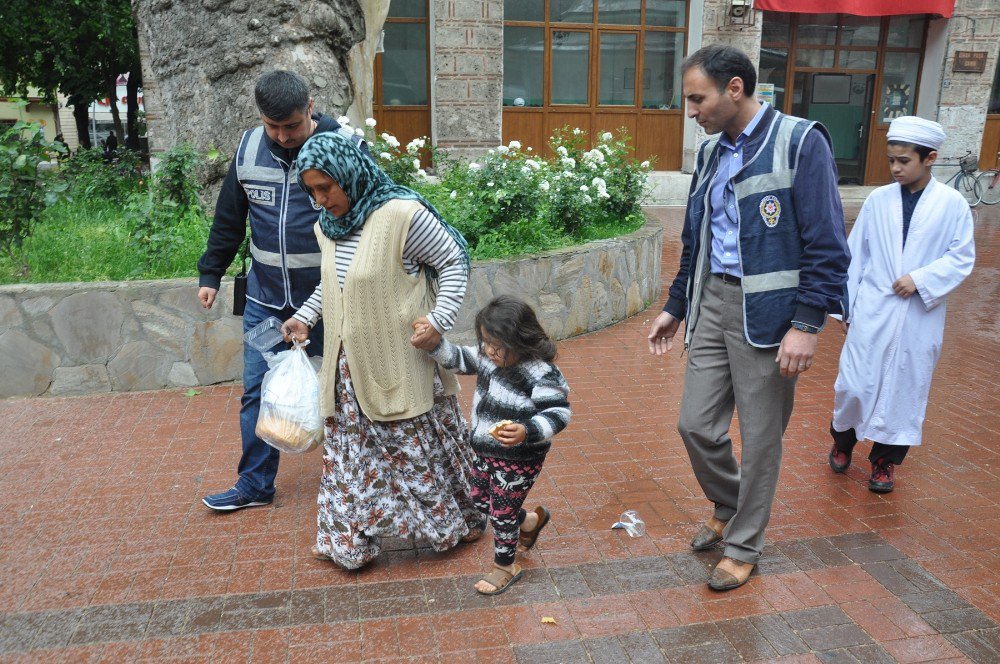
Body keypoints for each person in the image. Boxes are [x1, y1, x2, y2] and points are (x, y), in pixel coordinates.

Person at [646, 45, 850, 591]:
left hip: (771, 314)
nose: (692, 111)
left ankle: (743, 544)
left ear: (734, 88)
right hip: (712, 300)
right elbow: (697, 234)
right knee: (695, 424)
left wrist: (807, 324)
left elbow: (828, 245)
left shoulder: (801, 141)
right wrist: (676, 305)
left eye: (697, 98)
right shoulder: (712, 152)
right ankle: (729, 500)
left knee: (762, 439)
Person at [280, 131, 486, 569]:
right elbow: (335, 281)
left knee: (414, 447)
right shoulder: (327, 227)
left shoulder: (401, 216)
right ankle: (347, 542)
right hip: (346, 369)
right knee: (347, 456)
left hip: (399, 360)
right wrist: (306, 316)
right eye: (311, 190)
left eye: (326, 188)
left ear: (349, 176)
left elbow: (454, 261)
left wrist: (437, 321)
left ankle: (460, 519)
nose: (319, 200)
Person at [198, 70, 365, 512]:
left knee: (343, 391)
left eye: (291, 125)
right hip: (266, 302)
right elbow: (229, 216)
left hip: (332, 302)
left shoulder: (344, 145)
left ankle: (349, 483)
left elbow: (372, 216)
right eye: (273, 126)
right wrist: (210, 274)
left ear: (310, 108)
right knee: (257, 389)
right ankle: (254, 485)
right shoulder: (249, 148)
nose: (283, 135)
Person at [828, 116, 975, 493]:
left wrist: (921, 279)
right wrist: (846, 306)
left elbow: (961, 257)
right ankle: (843, 442)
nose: (895, 168)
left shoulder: (952, 204)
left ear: (930, 158)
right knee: (854, 384)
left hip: (918, 315)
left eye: (904, 161)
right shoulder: (878, 200)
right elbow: (855, 254)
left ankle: (883, 463)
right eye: (891, 159)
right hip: (873, 309)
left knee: (904, 389)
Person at [414, 295, 571, 595]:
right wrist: (433, 344)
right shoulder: (488, 358)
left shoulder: (541, 373)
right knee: (480, 500)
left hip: (520, 458)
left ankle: (504, 566)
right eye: (484, 341)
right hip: (485, 451)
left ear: (521, 340)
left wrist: (527, 431)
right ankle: (529, 521)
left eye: (496, 344)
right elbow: (459, 359)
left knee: (500, 513)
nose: (488, 349)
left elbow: (558, 412)